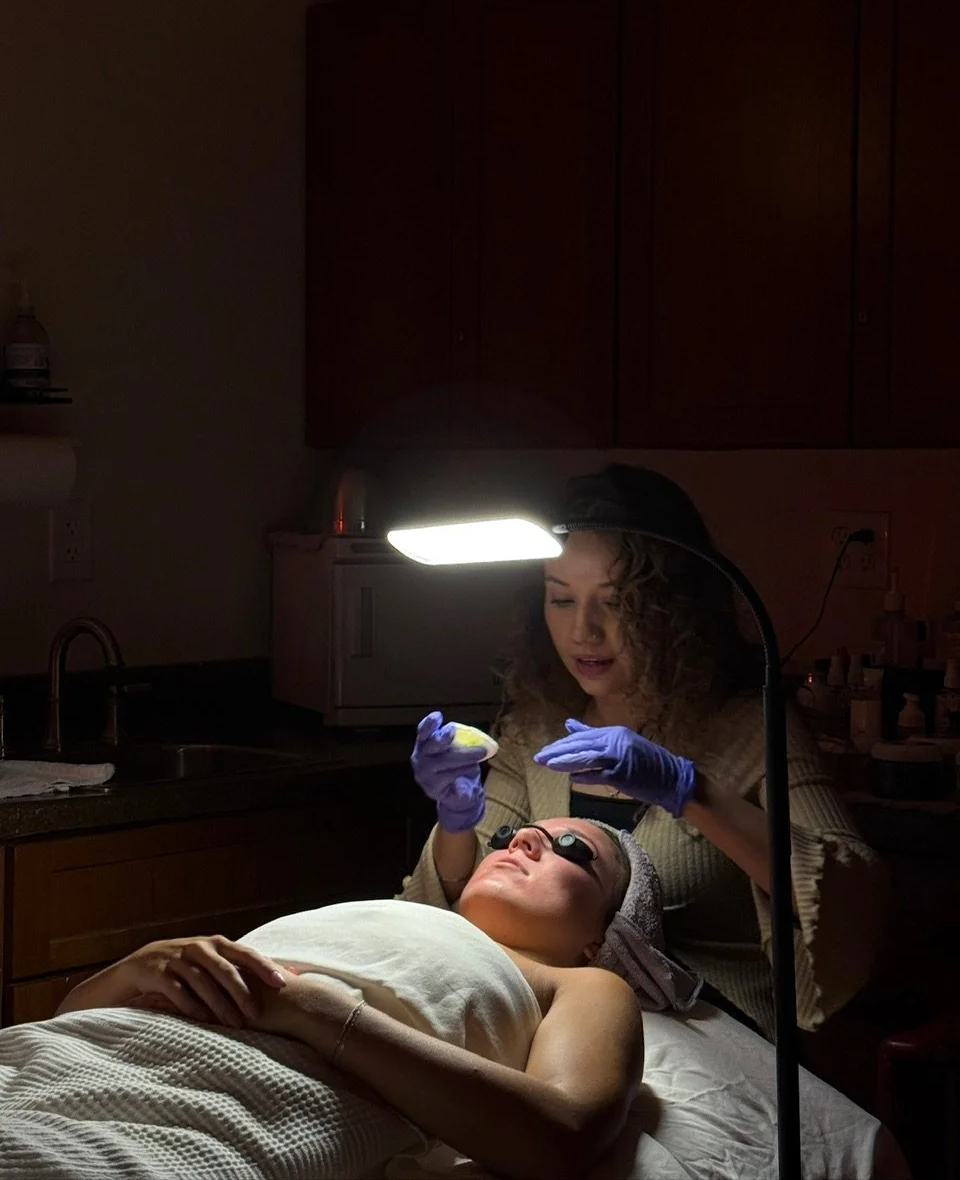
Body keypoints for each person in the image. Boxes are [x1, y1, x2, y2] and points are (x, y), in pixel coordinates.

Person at [400, 463, 888, 1040]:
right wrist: (457, 824)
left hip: (713, 1039)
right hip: (552, 1022)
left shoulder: (750, 730)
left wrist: (691, 791)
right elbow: (461, 910)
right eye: (561, 599)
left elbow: (851, 898)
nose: (584, 631)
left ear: (674, 609)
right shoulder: (535, 730)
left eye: (616, 602)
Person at [0, 817, 694, 1180]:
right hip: (79, 1058)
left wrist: (317, 1013)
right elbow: (66, 1025)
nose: (527, 840)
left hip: (238, 1107)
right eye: (513, 835)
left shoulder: (579, 983)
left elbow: (563, 1135)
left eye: (573, 848)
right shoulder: (389, 914)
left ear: (603, 937)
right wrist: (134, 971)